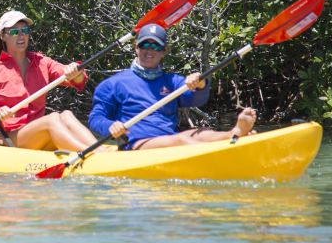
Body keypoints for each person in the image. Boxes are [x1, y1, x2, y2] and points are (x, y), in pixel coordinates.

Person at [88, 23, 256, 150]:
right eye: (145, 45)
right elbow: (96, 118)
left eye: (156, 46)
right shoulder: (112, 84)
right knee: (182, 141)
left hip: (169, 138)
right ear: (136, 48)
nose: (149, 50)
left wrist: (200, 84)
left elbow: (197, 99)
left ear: (164, 51)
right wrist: (110, 127)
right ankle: (216, 154)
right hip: (136, 143)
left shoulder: (173, 82)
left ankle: (234, 133)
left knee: (202, 132)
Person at [0, 10, 98, 151]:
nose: (21, 35)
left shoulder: (41, 62)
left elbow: (77, 80)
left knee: (66, 115)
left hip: (37, 133)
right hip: (8, 137)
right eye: (14, 32)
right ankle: (92, 154)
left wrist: (75, 72)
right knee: (53, 118)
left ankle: (98, 150)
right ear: (3, 36)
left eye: (25, 30)